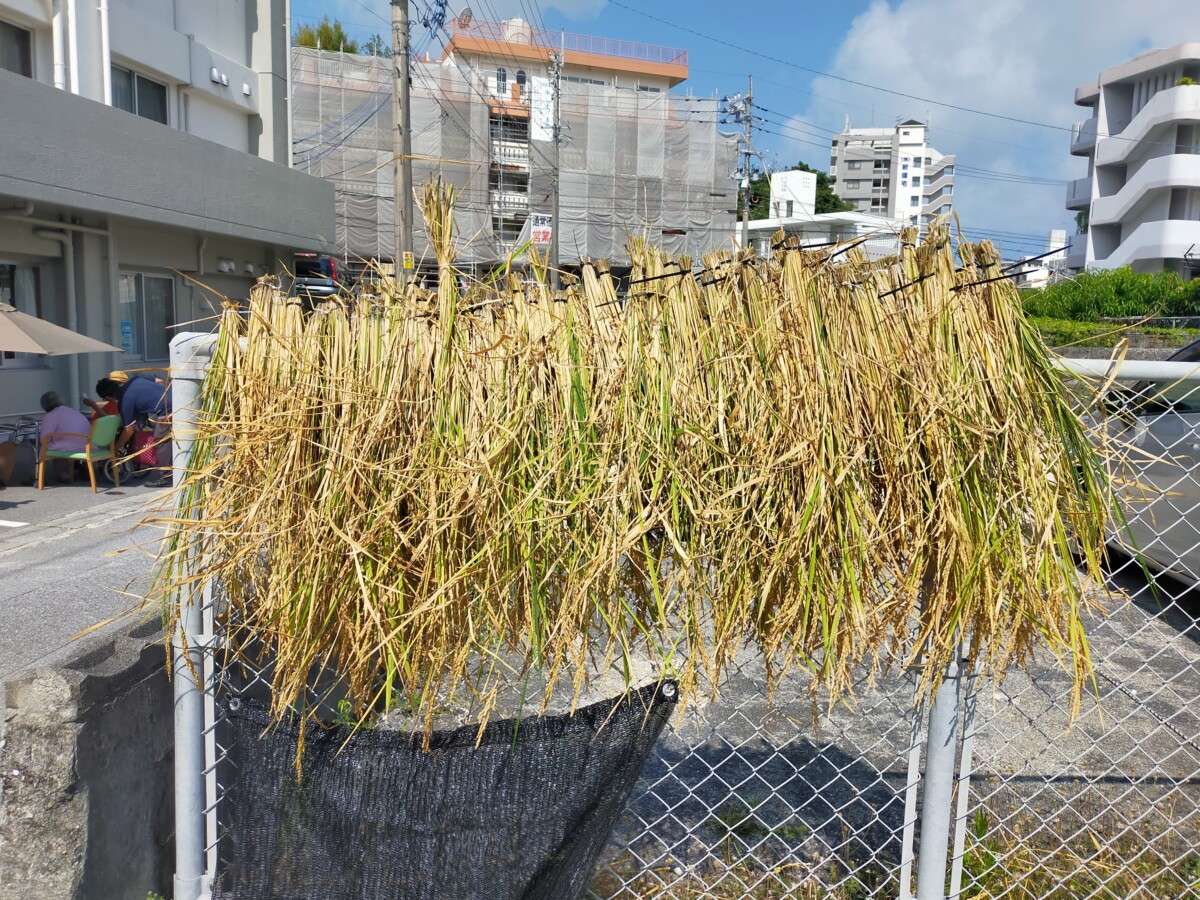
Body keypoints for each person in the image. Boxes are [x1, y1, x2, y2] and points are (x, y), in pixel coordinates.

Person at [39, 391, 91, 484]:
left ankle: (52, 476)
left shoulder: (50, 415)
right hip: (88, 444)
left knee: (48, 446)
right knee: (59, 442)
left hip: (70, 445)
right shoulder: (73, 411)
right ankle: (79, 471)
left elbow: (44, 438)